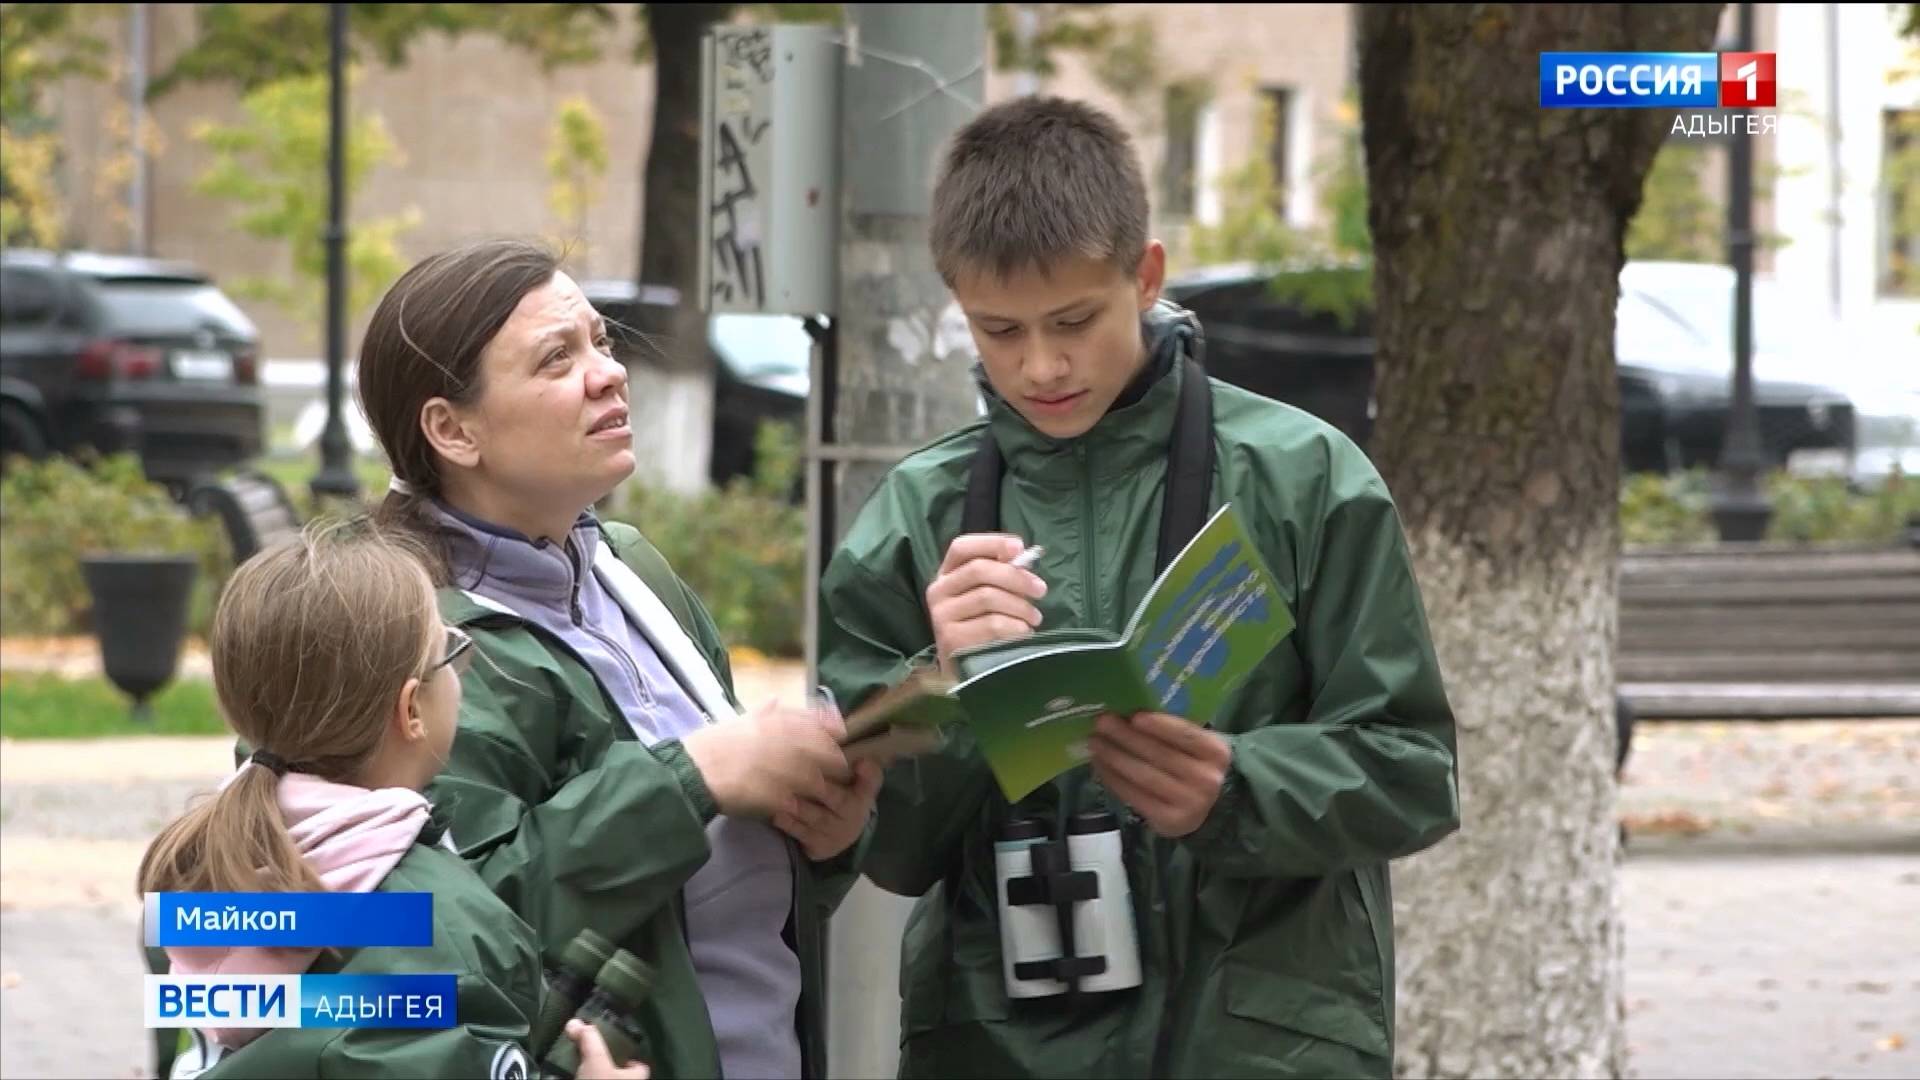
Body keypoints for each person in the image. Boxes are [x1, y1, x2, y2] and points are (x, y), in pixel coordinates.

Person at [814, 95, 1462, 1078]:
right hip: (998, 1047)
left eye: (1075, 319)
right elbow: (883, 849)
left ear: (1146, 275)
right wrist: (938, 682)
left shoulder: (1303, 480)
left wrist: (1239, 789)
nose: (1043, 364)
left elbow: (1413, 771)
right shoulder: (916, 516)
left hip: (1259, 1046)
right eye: (1000, 331)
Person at [354, 238, 879, 1080]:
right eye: (557, 359)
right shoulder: (400, 640)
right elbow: (443, 925)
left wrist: (822, 834)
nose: (608, 373)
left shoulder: (633, 570)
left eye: (601, 341)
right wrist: (693, 776)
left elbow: (717, 900)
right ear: (452, 430)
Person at [138, 518, 650, 1080]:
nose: (462, 667)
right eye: (451, 651)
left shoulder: (201, 871)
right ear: (411, 710)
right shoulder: (433, 926)